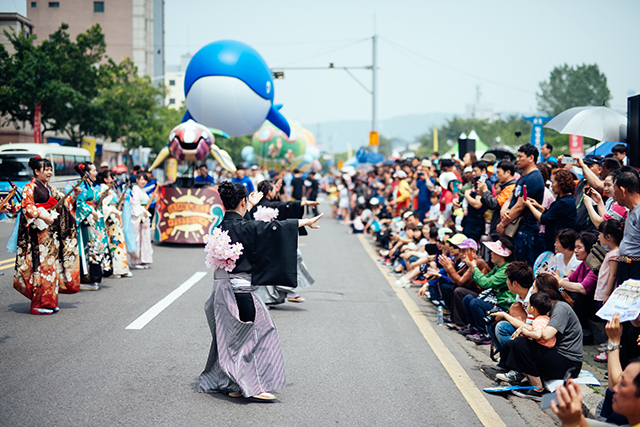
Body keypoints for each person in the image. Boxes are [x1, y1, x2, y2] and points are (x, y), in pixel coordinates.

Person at [198, 181, 322, 401]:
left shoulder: (221, 226)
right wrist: (305, 222)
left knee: (231, 338)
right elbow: (274, 229)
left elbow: (242, 226)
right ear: (243, 201)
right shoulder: (245, 226)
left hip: (220, 291)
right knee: (257, 334)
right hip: (240, 293)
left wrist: (250, 206)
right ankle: (252, 385)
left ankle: (235, 382)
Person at [13, 156, 81, 315]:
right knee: (41, 268)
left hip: (51, 235)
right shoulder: (29, 188)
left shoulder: (50, 188)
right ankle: (38, 304)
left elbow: (64, 203)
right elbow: (27, 208)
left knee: (51, 268)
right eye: (46, 169)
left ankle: (49, 302)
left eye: (51, 169)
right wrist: (42, 216)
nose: (50, 172)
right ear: (36, 171)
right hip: (39, 235)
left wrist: (75, 195)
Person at [497, 273, 582, 401]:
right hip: (554, 355)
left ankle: (538, 389)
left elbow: (547, 334)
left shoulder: (560, 308)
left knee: (520, 343)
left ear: (542, 292)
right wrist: (523, 328)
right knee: (512, 343)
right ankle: (529, 379)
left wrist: (525, 332)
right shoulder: (546, 308)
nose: (531, 291)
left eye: (534, 288)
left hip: (568, 364)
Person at [250, 179, 319, 305]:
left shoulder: (259, 204)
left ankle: (285, 293)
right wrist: (303, 203)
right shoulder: (265, 206)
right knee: (291, 258)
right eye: (274, 190)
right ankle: (285, 292)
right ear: (269, 192)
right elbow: (282, 207)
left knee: (292, 258)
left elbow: (281, 207)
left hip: (265, 244)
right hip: (265, 246)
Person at [461, 238, 516, 345]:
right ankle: (474, 328)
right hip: (495, 302)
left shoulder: (506, 270)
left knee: (475, 303)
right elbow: (484, 279)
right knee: (468, 298)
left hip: (504, 306)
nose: (491, 253)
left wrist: (473, 266)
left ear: (502, 255)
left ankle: (484, 334)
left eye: (494, 252)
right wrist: (473, 268)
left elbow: (485, 283)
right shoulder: (498, 267)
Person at [497, 144, 546, 266]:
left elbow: (520, 207)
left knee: (523, 267)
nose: (517, 159)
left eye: (520, 156)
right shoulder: (523, 177)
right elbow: (511, 198)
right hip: (516, 227)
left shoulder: (534, 178)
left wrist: (503, 224)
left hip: (526, 230)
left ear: (531, 158)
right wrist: (504, 213)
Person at [75, 162, 113, 290]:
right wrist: (91, 211)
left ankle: (94, 277)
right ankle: (86, 278)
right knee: (89, 250)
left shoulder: (90, 186)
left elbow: (95, 201)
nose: (96, 173)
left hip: (94, 222)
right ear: (86, 173)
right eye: (94, 170)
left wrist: (101, 197)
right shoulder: (82, 186)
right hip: (87, 223)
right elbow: (79, 203)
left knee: (96, 249)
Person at [524, 169, 577, 252]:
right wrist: (538, 206)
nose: (552, 186)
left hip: (561, 243)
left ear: (561, 184)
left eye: (553, 182)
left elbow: (544, 219)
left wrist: (529, 205)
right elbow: (552, 214)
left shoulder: (564, 202)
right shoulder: (564, 200)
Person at [97, 170, 132, 278]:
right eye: (111, 177)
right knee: (113, 245)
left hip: (115, 220)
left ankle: (120, 268)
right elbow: (101, 205)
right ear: (105, 179)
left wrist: (121, 199)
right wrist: (113, 211)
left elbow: (116, 206)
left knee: (118, 244)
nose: (113, 179)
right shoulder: (103, 189)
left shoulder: (111, 189)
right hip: (109, 221)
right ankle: (115, 269)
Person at [478, 160, 516, 240]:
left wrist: (485, 190)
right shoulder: (506, 187)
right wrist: (483, 193)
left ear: (508, 172)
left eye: (499, 173)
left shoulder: (511, 187)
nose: (497, 176)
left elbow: (495, 204)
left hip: (502, 230)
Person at [614, 170, 640, 284]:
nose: (614, 196)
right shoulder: (630, 210)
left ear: (623, 191)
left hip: (636, 268)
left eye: (615, 190)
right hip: (626, 266)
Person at [129, 172, 155, 269]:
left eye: (145, 179)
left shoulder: (141, 190)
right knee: (138, 238)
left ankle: (143, 260)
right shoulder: (135, 189)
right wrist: (141, 212)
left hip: (144, 214)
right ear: (137, 180)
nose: (143, 181)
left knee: (144, 239)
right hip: (139, 215)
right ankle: (136, 261)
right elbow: (134, 203)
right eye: (141, 179)